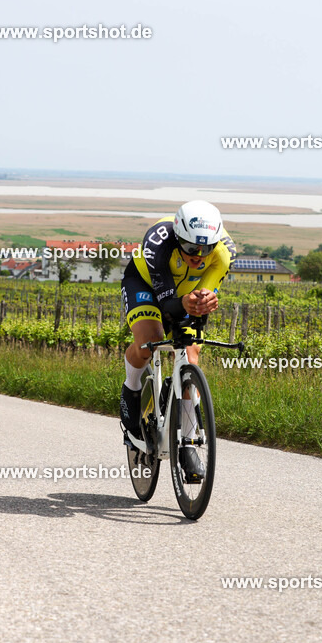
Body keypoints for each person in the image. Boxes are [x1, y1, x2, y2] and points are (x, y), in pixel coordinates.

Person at [119, 200, 235, 481]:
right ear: (178, 236)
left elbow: (205, 289)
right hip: (145, 285)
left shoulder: (224, 253)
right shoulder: (158, 242)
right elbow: (166, 302)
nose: (198, 256)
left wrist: (205, 300)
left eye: (205, 249)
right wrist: (184, 302)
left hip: (185, 292)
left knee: (191, 353)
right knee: (151, 340)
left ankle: (190, 443)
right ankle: (131, 388)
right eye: (191, 248)